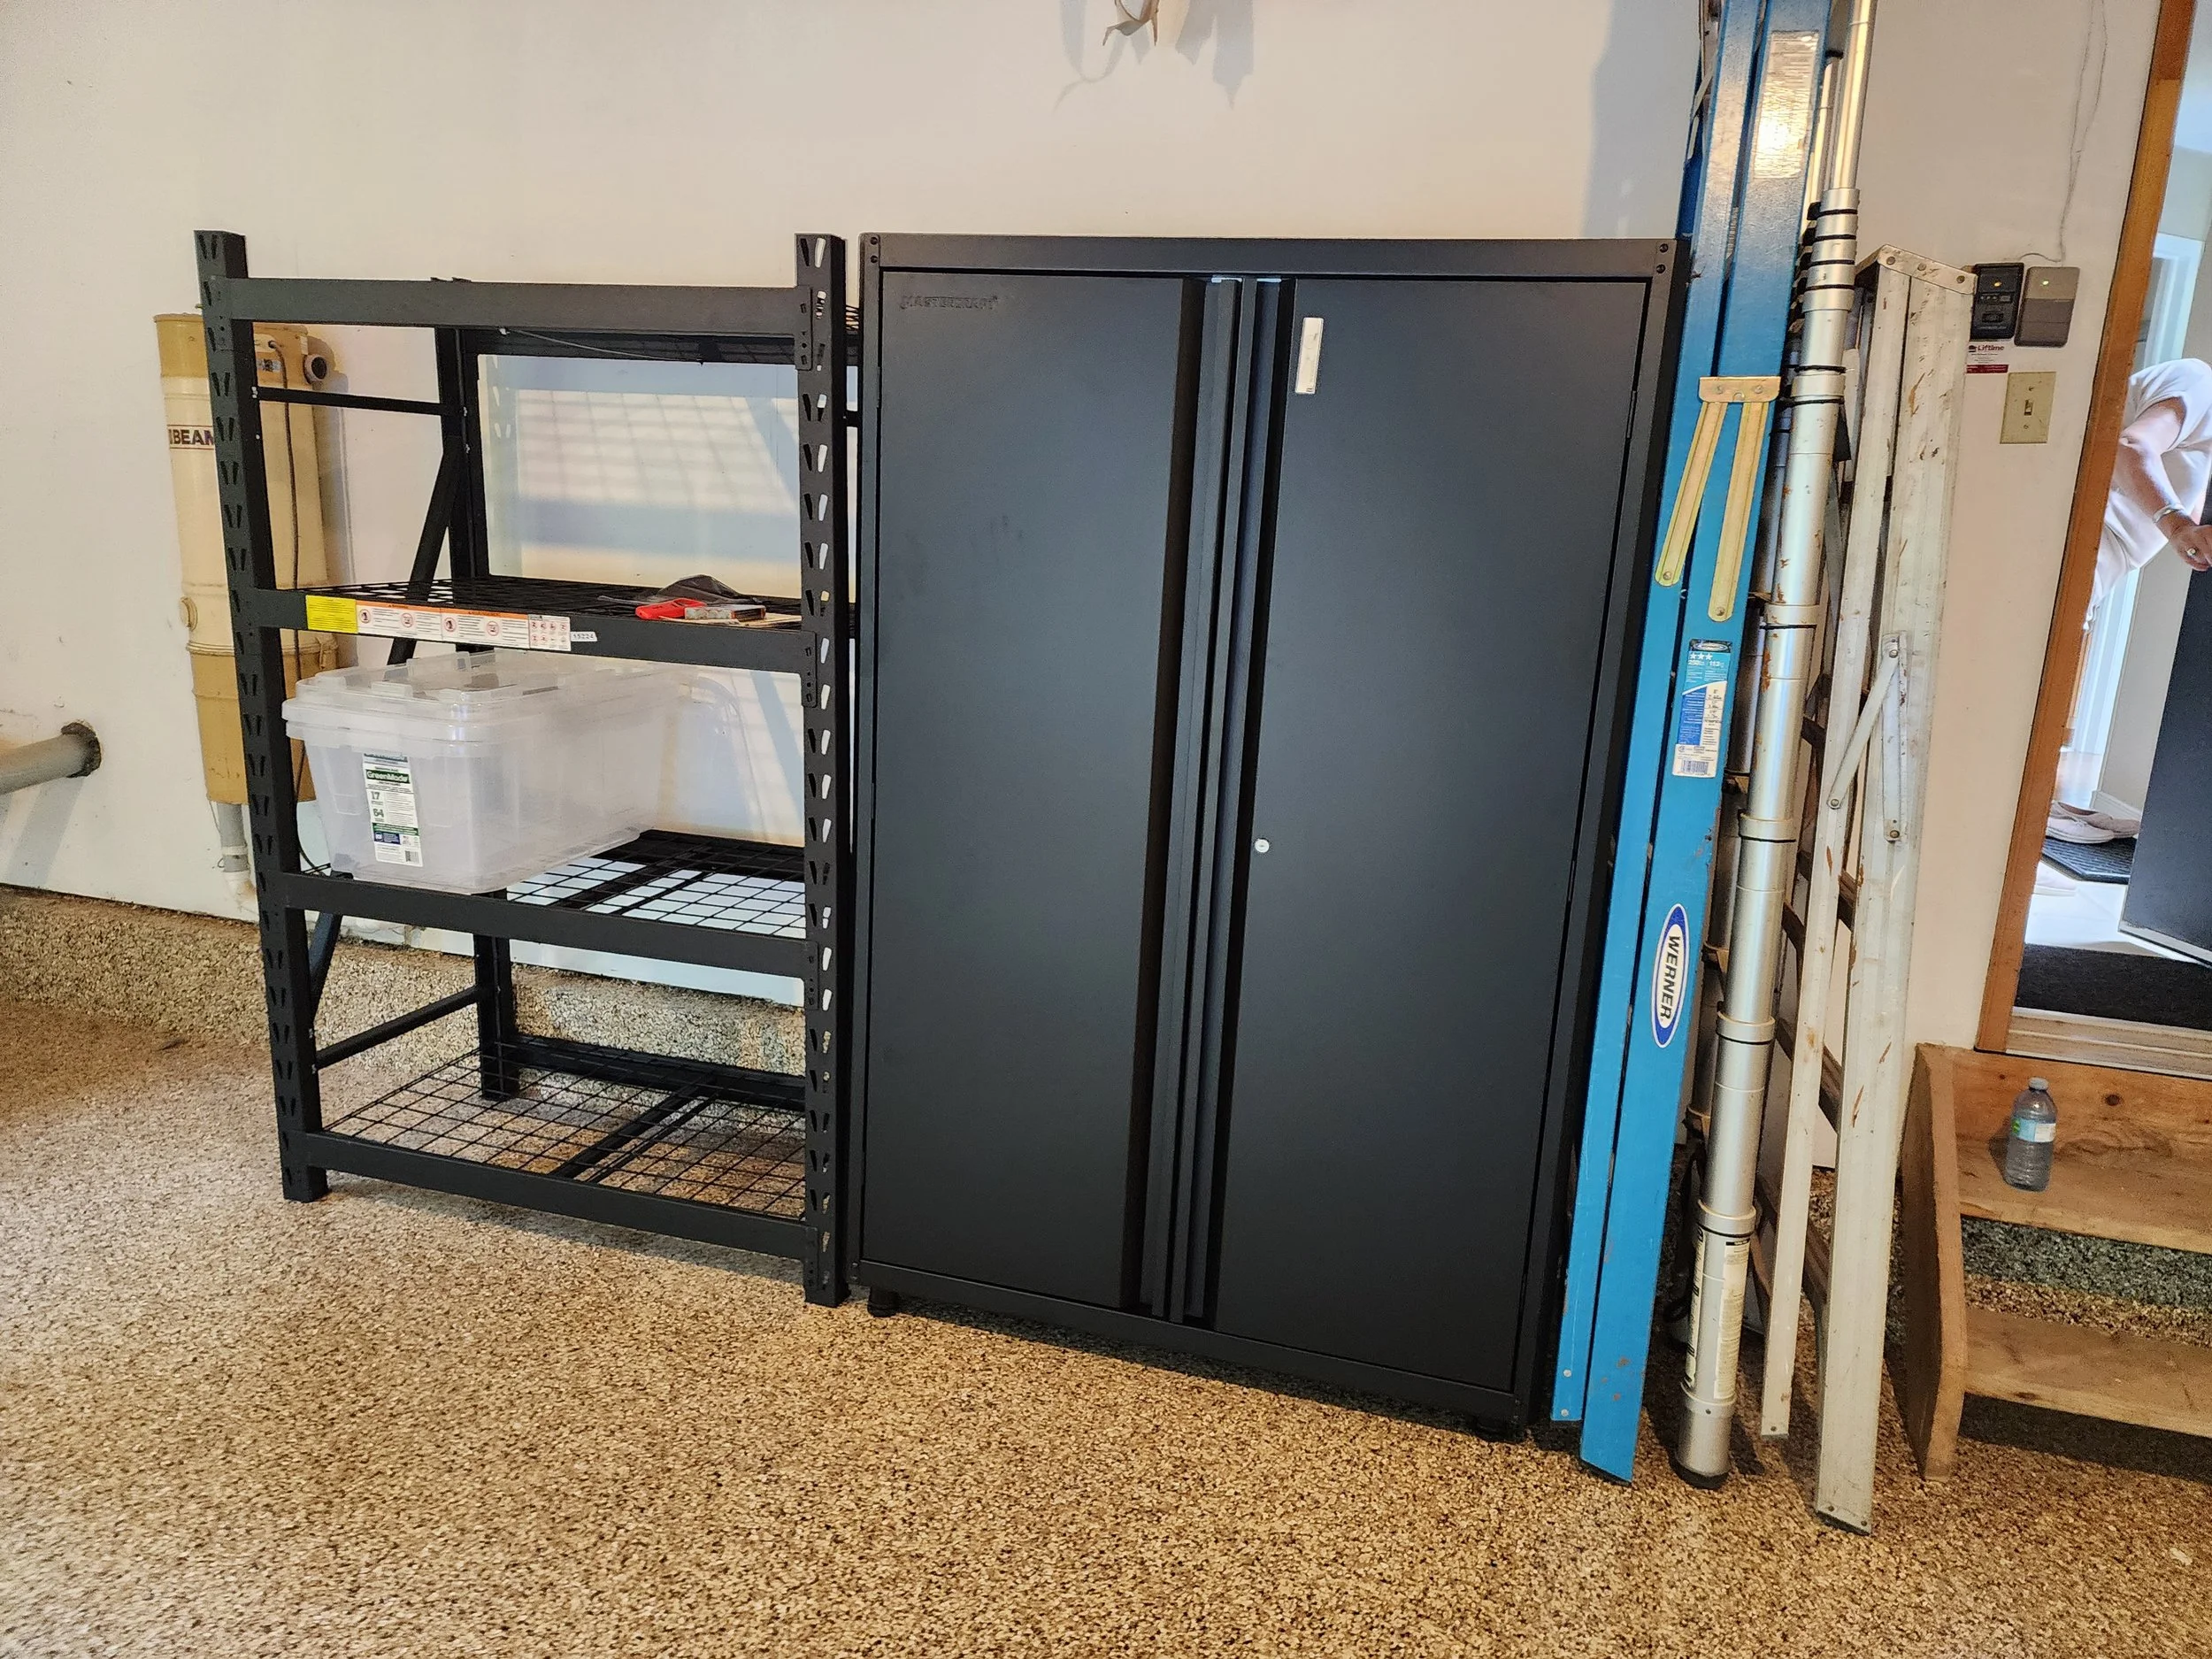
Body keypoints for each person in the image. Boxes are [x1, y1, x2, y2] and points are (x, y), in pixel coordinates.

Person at [2048, 357, 2212, 849]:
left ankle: (2047, 812)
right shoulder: (2200, 382)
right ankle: (2017, 839)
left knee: (2043, 689)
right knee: (2037, 689)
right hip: (2084, 545)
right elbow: (2132, 445)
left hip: (2096, 552)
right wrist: (2178, 525)